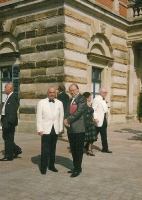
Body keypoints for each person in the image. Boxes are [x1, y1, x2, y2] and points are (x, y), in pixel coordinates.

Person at [37, 86, 64, 175]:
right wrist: (39, 129)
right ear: (47, 93)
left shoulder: (59, 103)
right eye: (50, 92)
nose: (52, 94)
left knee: (53, 148)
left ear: (55, 93)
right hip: (45, 129)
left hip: (55, 129)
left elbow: (61, 116)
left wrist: (60, 128)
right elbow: (39, 117)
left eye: (53, 92)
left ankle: (51, 165)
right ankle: (43, 167)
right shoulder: (41, 103)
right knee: (45, 149)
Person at [64, 84, 87, 178]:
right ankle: (75, 166)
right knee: (73, 149)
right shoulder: (70, 100)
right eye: (70, 90)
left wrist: (68, 120)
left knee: (78, 149)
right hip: (71, 128)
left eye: (73, 90)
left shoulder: (81, 99)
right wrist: (66, 121)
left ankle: (78, 169)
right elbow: (67, 112)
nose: (72, 92)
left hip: (79, 128)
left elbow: (79, 112)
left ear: (78, 89)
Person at [0, 82, 22, 161]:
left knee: (8, 138)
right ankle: (16, 149)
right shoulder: (9, 96)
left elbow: (13, 110)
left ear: (10, 89)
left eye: (6, 88)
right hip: (5, 120)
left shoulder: (13, 96)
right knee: (6, 137)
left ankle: (8, 156)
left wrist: (10, 121)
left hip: (9, 121)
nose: (4, 89)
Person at [92, 87, 112, 153]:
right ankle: (86, 146)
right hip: (98, 120)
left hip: (103, 119)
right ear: (101, 92)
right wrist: (95, 118)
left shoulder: (103, 100)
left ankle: (105, 148)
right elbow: (93, 110)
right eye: (105, 92)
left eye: (106, 92)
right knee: (94, 135)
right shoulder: (96, 99)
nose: (106, 94)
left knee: (104, 134)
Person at [83, 92, 98, 156]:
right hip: (86, 122)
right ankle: (84, 149)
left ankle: (89, 149)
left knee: (92, 137)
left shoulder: (89, 104)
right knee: (86, 137)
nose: (90, 98)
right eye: (90, 97)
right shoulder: (83, 105)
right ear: (87, 98)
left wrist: (94, 119)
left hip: (91, 122)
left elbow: (91, 114)